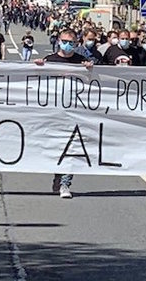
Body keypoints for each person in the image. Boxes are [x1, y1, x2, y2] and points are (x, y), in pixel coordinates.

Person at [35, 28, 93, 199]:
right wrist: (37, 68)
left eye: (71, 42)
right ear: (59, 41)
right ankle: (57, 175)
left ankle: (65, 183)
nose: (68, 45)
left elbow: (92, 83)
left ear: (76, 43)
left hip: (75, 113)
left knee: (72, 148)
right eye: (64, 41)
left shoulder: (81, 61)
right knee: (55, 147)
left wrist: (90, 70)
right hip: (53, 112)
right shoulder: (50, 60)